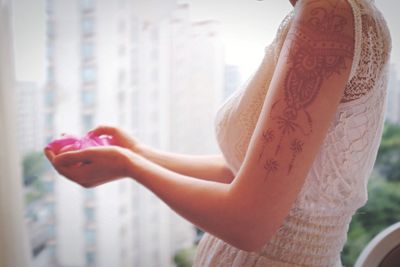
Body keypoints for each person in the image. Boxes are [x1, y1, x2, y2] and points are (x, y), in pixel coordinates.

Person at [44, 0, 391, 265]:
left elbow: (250, 223)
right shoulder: (331, 16)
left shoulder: (327, 20)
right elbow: (247, 174)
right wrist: (138, 153)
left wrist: (128, 166)